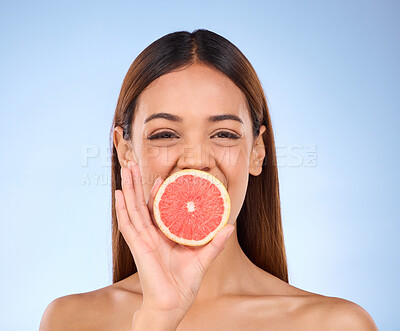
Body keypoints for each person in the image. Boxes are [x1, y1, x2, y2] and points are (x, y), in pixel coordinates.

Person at [40, 29, 378, 330]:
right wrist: (158, 316)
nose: (196, 159)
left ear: (257, 151)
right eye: (165, 134)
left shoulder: (336, 324)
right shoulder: (70, 320)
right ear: (125, 151)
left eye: (225, 134)